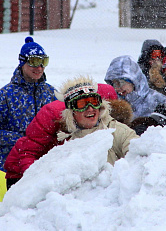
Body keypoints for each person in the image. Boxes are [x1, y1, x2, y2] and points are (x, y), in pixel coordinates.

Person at [4, 76, 139, 190]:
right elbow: (28, 151)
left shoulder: (116, 130)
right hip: (20, 172)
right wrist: (35, 181)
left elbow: (137, 151)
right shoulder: (60, 132)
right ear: (71, 112)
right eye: (82, 104)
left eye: (94, 102)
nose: (90, 108)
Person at [0, 36, 56, 171]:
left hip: (45, 165)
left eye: (43, 62)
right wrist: (24, 140)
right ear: (22, 63)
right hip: (12, 165)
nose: (39, 67)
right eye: (34, 62)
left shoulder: (51, 93)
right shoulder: (6, 95)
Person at [104, 55, 166, 120]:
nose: (117, 88)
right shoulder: (110, 104)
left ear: (134, 81)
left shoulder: (159, 101)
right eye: (114, 83)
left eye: (121, 83)